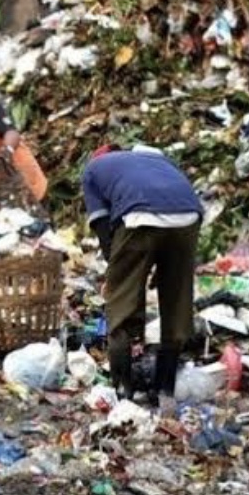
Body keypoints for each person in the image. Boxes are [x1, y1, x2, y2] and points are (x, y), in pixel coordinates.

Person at [81, 145, 202, 404]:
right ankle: (165, 391)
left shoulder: (92, 171)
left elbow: (105, 233)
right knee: (177, 300)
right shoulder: (155, 159)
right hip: (189, 216)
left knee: (121, 306)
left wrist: (116, 276)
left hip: (139, 217)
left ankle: (125, 392)